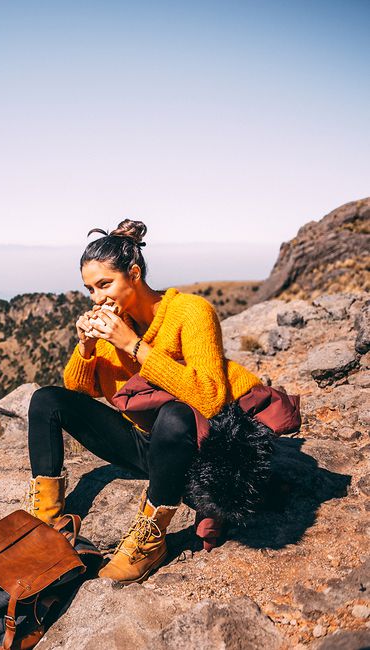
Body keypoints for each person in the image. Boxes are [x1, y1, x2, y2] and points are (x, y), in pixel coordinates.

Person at [25, 219, 264, 584]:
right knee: (45, 400)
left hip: (194, 448)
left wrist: (133, 346)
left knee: (173, 414)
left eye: (105, 284)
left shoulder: (191, 312)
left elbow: (210, 397)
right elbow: (78, 388)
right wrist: (86, 346)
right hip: (144, 445)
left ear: (134, 274)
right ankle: (46, 518)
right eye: (89, 289)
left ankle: (151, 538)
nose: (97, 298)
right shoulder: (113, 323)